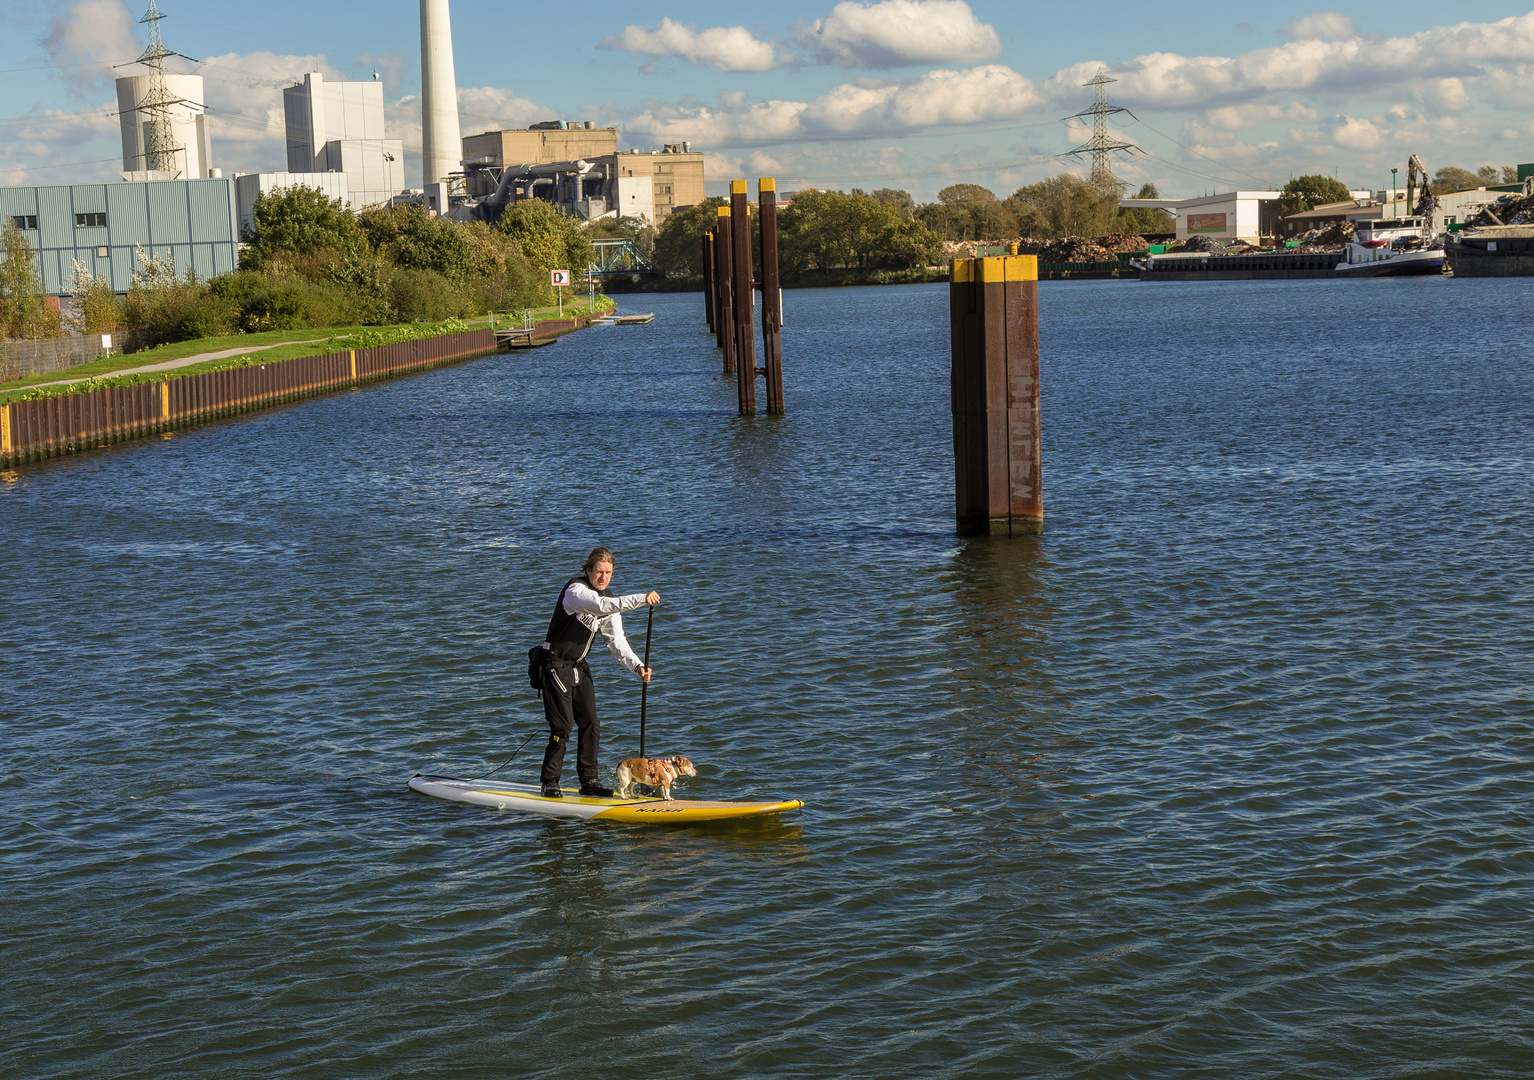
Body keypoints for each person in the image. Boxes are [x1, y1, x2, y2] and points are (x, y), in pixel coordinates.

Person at [533, 546, 659, 798]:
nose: (603, 577)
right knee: (562, 728)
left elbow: (616, 641)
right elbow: (601, 605)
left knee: (591, 723)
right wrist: (641, 598)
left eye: (608, 572)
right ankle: (550, 782)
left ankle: (589, 781)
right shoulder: (575, 591)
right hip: (554, 666)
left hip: (578, 668)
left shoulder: (608, 598)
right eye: (598, 571)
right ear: (588, 570)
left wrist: (637, 666)